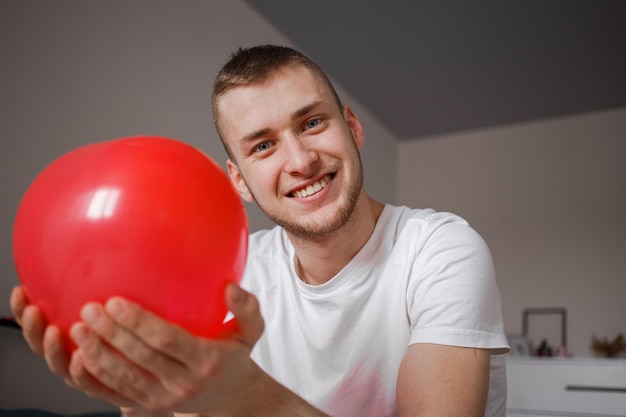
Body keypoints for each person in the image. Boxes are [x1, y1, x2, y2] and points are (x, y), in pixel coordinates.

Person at [10, 45, 509, 417]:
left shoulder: (442, 249)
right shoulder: (238, 272)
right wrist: (146, 398)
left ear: (352, 128)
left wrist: (240, 394)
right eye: (263, 146)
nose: (301, 160)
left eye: (312, 123)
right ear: (239, 181)